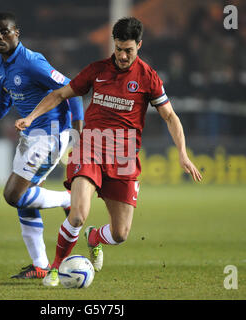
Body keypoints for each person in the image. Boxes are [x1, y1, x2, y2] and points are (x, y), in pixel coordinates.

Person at [14, 17, 202, 287]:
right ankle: (54, 269)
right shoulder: (96, 70)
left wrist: (183, 153)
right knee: (78, 213)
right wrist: (31, 118)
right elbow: (58, 95)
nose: (123, 56)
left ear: (139, 45)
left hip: (124, 159)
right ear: (113, 45)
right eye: (118, 49)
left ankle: (94, 238)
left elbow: (170, 117)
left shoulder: (148, 78)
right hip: (89, 148)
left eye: (129, 50)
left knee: (121, 233)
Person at [0, 13, 84, 279]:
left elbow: (72, 88)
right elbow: (2, 104)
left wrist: (77, 132)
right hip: (30, 136)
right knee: (23, 201)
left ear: (16, 32)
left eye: (5, 32)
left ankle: (69, 199)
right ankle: (41, 265)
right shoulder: (0, 66)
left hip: (52, 133)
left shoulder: (32, 62)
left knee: (12, 195)